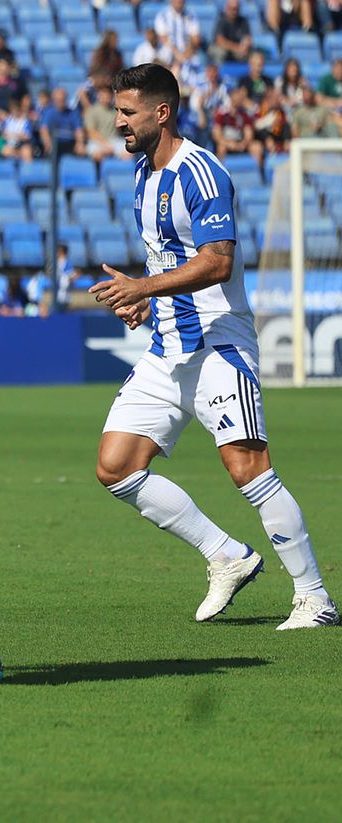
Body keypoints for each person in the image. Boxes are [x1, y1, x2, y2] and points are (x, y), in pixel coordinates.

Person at [91, 63, 335, 631]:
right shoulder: (142, 173)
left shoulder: (199, 171)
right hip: (167, 344)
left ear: (161, 112)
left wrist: (142, 286)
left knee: (248, 468)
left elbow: (216, 261)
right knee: (116, 466)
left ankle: (315, 597)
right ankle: (226, 554)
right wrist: (146, 302)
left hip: (218, 344)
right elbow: (172, 264)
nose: (117, 122)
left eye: (127, 113)